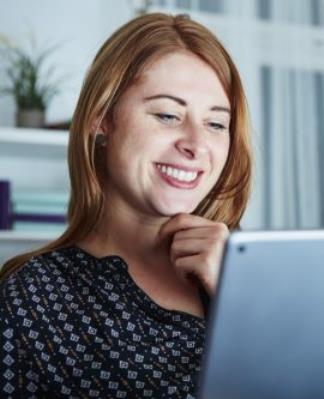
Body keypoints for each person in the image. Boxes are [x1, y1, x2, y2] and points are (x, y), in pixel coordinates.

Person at [0, 12, 252, 398]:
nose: (196, 144)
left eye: (216, 124)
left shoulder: (253, 274)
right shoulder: (29, 297)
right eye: (168, 115)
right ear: (102, 118)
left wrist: (239, 301)